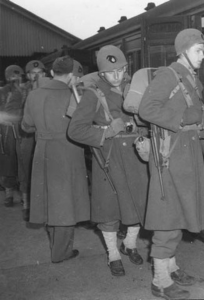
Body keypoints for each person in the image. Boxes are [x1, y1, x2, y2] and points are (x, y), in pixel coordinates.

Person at [139, 28, 204, 300]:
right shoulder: (168, 75)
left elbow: (197, 123)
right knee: (168, 221)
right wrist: (183, 118)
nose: (202, 56)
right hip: (170, 158)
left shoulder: (191, 80)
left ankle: (171, 268)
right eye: (198, 51)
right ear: (184, 51)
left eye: (203, 51)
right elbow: (147, 110)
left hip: (188, 157)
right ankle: (160, 281)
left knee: (180, 216)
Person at [68, 45, 149, 277]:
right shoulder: (94, 94)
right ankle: (113, 254)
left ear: (126, 68)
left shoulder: (134, 90)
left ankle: (130, 244)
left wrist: (139, 125)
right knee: (109, 210)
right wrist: (105, 132)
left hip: (135, 158)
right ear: (101, 74)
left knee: (137, 205)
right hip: (108, 159)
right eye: (110, 72)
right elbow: (75, 130)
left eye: (121, 70)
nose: (116, 77)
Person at [21, 56, 90, 263]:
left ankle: (56, 245)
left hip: (42, 151)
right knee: (66, 202)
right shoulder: (75, 96)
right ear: (70, 76)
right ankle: (61, 252)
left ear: (52, 73)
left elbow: (25, 126)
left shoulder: (33, 95)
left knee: (50, 199)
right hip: (68, 151)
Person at [17, 60, 48, 221]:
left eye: (40, 72)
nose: (37, 76)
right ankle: (26, 203)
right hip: (28, 134)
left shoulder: (49, 89)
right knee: (26, 165)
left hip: (44, 133)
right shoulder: (22, 91)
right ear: (28, 75)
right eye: (33, 73)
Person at [0, 65, 24, 207]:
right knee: (8, 162)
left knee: (22, 163)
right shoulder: (2, 92)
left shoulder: (27, 90)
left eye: (17, 76)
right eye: (12, 77)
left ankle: (23, 194)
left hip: (23, 130)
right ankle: (8, 193)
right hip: (7, 131)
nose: (14, 79)